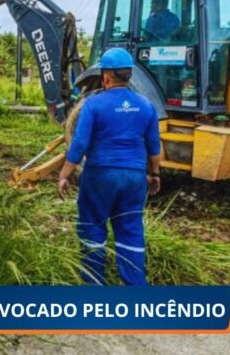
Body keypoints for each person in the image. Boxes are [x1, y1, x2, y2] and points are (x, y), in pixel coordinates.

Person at [58, 48, 161, 286]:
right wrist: (154, 174)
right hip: (135, 178)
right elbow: (154, 146)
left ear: (105, 76)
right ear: (129, 76)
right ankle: (136, 292)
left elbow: (80, 144)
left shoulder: (93, 104)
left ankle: (95, 290)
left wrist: (64, 174)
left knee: (93, 229)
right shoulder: (146, 105)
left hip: (100, 176)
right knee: (131, 231)